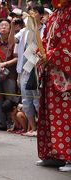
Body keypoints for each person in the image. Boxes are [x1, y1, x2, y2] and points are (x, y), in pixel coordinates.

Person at [36, 0, 71, 172]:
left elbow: (68, 41)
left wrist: (49, 54)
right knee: (51, 113)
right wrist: (40, 52)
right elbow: (45, 40)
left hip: (65, 70)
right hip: (52, 69)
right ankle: (54, 154)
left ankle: (69, 157)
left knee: (66, 114)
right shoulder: (55, 15)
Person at [15, 5, 46, 137]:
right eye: (30, 12)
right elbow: (12, 42)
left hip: (39, 66)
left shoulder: (45, 29)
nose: (31, 15)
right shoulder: (24, 31)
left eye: (34, 12)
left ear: (40, 15)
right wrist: (12, 27)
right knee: (26, 99)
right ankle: (32, 127)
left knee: (38, 98)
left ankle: (41, 128)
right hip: (26, 67)